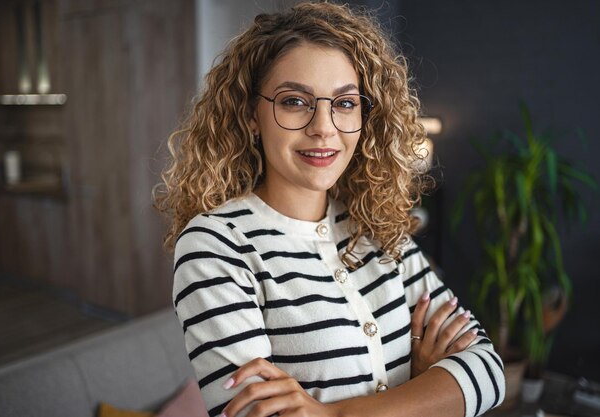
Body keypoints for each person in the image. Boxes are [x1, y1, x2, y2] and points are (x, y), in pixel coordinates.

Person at [154, 3, 504, 417]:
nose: (323, 127)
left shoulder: (376, 229)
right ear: (251, 115)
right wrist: (423, 383)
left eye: (344, 104)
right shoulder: (215, 245)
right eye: (295, 101)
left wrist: (331, 413)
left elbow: (487, 372)